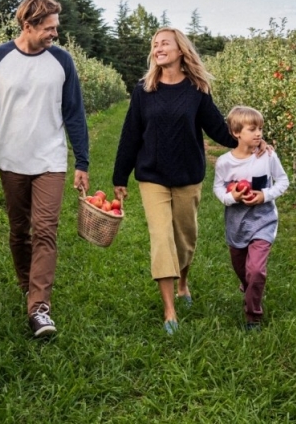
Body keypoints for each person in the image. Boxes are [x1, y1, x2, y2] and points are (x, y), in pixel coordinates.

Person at [112, 27, 266, 335]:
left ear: (181, 50)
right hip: (151, 175)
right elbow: (130, 134)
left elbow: (219, 131)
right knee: (161, 238)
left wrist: (253, 141)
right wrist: (120, 176)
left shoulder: (197, 90)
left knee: (185, 238)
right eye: (155, 44)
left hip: (187, 175)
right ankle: (169, 310)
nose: (158, 47)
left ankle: (183, 283)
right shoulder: (144, 90)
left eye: (164, 43)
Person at [0, 0, 89, 338]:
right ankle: (27, 284)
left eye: (55, 28)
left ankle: (39, 308)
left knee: (45, 229)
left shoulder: (62, 62)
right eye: (48, 28)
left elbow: (74, 113)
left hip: (51, 158)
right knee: (19, 230)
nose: (54, 35)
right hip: (11, 158)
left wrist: (82, 161)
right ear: (27, 25)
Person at [213, 106, 289, 331]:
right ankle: (248, 287)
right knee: (242, 268)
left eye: (261, 129)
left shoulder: (267, 155)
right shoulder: (225, 162)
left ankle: (252, 316)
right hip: (237, 225)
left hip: (264, 221)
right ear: (236, 132)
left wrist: (265, 195)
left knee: (255, 270)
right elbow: (218, 188)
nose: (259, 134)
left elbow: (283, 181)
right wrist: (231, 197)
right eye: (252, 129)